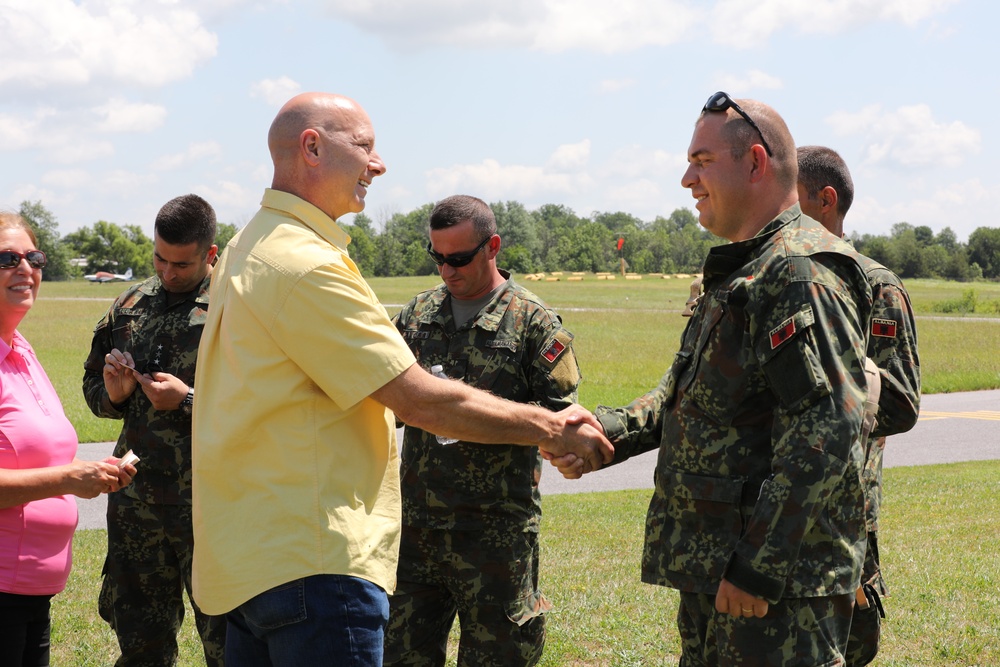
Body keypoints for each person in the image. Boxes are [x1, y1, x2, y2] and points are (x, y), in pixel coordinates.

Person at [191, 92, 612, 667]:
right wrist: (551, 428)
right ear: (312, 147)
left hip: (252, 560)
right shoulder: (305, 264)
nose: (378, 163)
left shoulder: (248, 247)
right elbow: (416, 399)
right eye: (364, 146)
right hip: (312, 563)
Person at [549, 92, 875, 665]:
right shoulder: (747, 268)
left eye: (701, 162)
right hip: (721, 570)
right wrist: (607, 432)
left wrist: (759, 566)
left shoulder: (797, 273)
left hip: (773, 592)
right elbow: (687, 395)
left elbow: (829, 430)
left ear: (754, 163)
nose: (685, 179)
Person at [385, 195, 580, 666]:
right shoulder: (416, 316)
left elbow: (561, 424)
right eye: (437, 257)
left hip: (496, 536)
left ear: (492, 246)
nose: (446, 270)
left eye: (458, 258)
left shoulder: (533, 323)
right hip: (417, 531)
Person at [82, 194, 226, 666]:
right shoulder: (130, 303)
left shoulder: (235, 307)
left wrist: (187, 400)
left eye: (180, 263)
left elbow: (264, 404)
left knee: (227, 640)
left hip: (210, 505)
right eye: (159, 258)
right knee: (140, 641)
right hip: (137, 503)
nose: (167, 272)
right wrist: (115, 395)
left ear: (211, 254)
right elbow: (92, 385)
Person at [797, 145, 921, 666]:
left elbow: (900, 403)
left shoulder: (874, 286)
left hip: (844, 510)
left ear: (826, 201)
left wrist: (835, 369)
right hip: (770, 501)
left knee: (848, 644)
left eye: (791, 198)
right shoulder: (776, 278)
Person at [1, 212, 134, 667]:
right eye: (7, 259)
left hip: (29, 593)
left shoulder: (20, 349)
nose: (25, 269)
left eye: (32, 257)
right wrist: (70, 477)